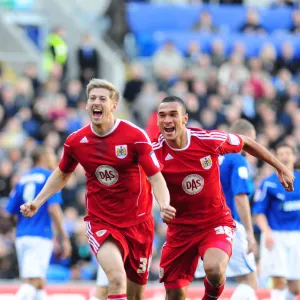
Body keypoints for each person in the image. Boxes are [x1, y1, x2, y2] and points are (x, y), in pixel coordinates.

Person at [20, 79, 176, 300]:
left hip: (139, 224)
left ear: (114, 105)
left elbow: (156, 178)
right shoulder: (76, 141)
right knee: (116, 279)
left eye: (102, 98)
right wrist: (38, 201)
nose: (96, 102)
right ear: (86, 105)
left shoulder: (135, 137)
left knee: (135, 295)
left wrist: (164, 204)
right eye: (92, 98)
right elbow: (62, 173)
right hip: (102, 222)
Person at [151, 96, 294, 300]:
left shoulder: (208, 140)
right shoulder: (153, 151)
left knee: (215, 269)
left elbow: (245, 141)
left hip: (214, 222)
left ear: (185, 119)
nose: (167, 120)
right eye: (162, 115)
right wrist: (163, 204)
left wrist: (280, 167)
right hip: (180, 229)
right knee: (174, 295)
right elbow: (154, 180)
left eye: (173, 114)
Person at [196, 119, 258, 300]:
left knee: (215, 280)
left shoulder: (213, 157)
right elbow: (240, 197)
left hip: (206, 225)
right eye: (252, 141)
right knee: (249, 280)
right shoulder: (238, 160)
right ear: (244, 138)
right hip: (230, 223)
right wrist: (249, 232)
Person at [5, 146, 71, 300]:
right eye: (51, 155)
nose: (54, 159)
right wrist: (64, 237)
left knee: (38, 282)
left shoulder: (22, 178)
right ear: (42, 157)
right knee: (33, 282)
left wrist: (20, 227)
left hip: (22, 236)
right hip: (40, 235)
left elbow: (9, 212)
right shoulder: (50, 177)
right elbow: (54, 209)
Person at [253, 142, 300, 300]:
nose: (285, 157)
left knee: (295, 287)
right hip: (276, 235)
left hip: (297, 236)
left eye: (288, 153)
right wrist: (267, 233)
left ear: (295, 157)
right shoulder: (268, 183)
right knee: (278, 280)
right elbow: (259, 212)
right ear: (275, 159)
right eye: (281, 154)